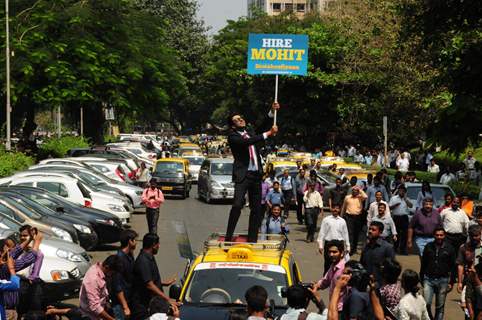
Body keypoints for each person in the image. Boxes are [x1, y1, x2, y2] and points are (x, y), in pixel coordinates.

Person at [225, 103, 279, 242]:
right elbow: (247, 142)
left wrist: (272, 111)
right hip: (243, 175)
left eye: (241, 118)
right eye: (236, 120)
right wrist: (268, 134)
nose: (240, 120)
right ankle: (228, 236)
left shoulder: (250, 131)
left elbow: (262, 125)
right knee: (237, 204)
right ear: (232, 125)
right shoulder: (232, 136)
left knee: (256, 209)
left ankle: (252, 239)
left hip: (256, 175)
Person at [131, 233, 177, 320]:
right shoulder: (143, 261)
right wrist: (167, 299)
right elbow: (149, 285)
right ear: (153, 245)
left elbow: (146, 279)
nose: (159, 246)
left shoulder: (149, 257)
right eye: (158, 244)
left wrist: (162, 283)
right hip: (143, 307)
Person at [420, 227, 456, 320]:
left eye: (441, 235)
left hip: (443, 280)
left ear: (444, 236)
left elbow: (453, 267)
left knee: (440, 306)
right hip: (428, 279)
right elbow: (423, 263)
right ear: (434, 236)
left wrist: (451, 282)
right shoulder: (428, 246)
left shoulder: (450, 248)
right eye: (437, 235)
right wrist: (421, 278)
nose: (439, 237)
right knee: (426, 303)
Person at [79, 255, 120, 320]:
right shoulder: (93, 279)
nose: (112, 275)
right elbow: (95, 306)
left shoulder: (100, 268)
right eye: (112, 273)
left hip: (101, 310)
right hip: (90, 315)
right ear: (107, 267)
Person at [109, 229, 138, 320]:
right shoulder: (119, 259)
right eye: (135, 240)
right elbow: (117, 285)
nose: (136, 243)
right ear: (130, 241)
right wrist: (125, 306)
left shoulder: (129, 255)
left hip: (129, 299)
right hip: (120, 304)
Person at [317, 204, 350, 275]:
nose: (335, 210)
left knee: (339, 263)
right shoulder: (326, 220)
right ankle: (325, 280)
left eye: (337, 208)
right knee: (328, 264)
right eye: (334, 208)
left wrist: (348, 246)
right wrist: (320, 245)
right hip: (329, 244)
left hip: (339, 244)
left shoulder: (342, 221)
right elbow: (322, 233)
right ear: (331, 209)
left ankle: (336, 278)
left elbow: (345, 234)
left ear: (339, 210)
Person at [314, 240, 346, 311]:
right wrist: (315, 286)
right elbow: (325, 281)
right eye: (330, 252)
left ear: (342, 253)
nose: (331, 255)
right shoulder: (332, 266)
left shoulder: (345, 269)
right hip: (333, 307)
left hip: (341, 309)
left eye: (334, 252)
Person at [360, 221, 396, 286]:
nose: (370, 231)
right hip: (366, 283)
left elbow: (391, 268)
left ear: (380, 232)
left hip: (380, 284)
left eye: (373, 230)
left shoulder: (387, 248)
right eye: (369, 229)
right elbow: (362, 264)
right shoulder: (366, 246)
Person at [456, 225, 482, 295]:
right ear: (469, 235)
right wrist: (460, 282)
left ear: (480, 234)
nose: (474, 238)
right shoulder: (463, 247)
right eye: (472, 236)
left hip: (481, 279)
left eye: (476, 236)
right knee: (465, 303)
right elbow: (460, 265)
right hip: (468, 280)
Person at [341, 186, 367, 255]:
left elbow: (366, 196)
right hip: (349, 217)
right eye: (353, 190)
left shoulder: (360, 198)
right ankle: (350, 249)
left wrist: (360, 190)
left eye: (356, 190)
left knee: (357, 233)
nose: (354, 191)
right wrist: (341, 216)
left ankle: (354, 249)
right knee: (350, 233)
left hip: (358, 217)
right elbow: (344, 206)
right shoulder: (347, 197)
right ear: (351, 191)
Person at [389, 185, 412, 255]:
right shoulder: (394, 198)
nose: (401, 192)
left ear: (405, 192)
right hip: (396, 217)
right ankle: (395, 248)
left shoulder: (407, 198)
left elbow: (411, 206)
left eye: (403, 191)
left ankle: (403, 249)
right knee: (396, 233)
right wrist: (395, 205)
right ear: (398, 191)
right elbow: (389, 207)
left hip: (404, 217)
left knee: (405, 234)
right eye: (400, 190)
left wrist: (406, 199)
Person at [0, 240, 20, 320]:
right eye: (7, 250)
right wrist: (11, 268)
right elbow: (15, 285)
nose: (11, 251)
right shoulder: (6, 267)